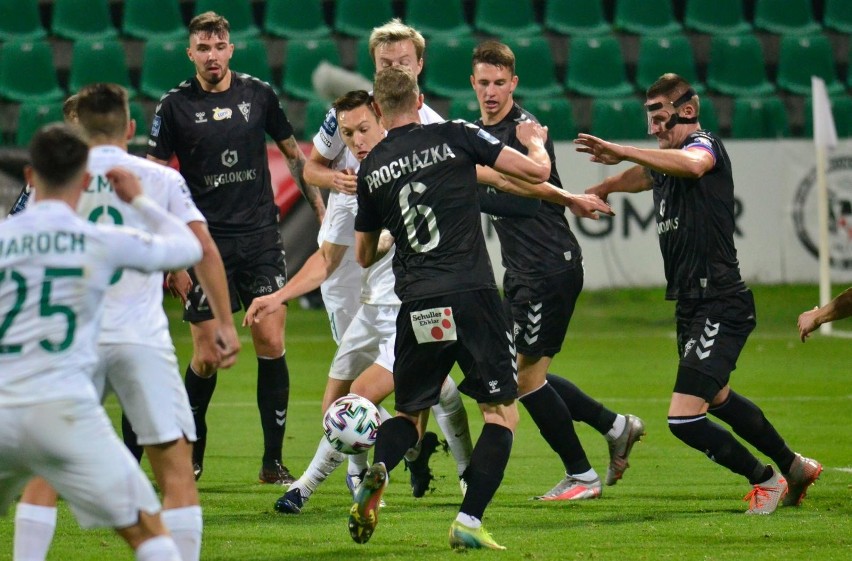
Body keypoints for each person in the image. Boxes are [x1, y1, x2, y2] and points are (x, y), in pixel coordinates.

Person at [349, 66, 612, 550]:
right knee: (501, 413)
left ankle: (380, 466)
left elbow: (364, 255)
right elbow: (533, 173)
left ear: (379, 111)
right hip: (471, 295)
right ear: (421, 98)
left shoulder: (371, 169)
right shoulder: (457, 135)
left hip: (420, 303)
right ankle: (469, 520)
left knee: (408, 415)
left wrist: (390, 234)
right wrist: (535, 140)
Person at [578, 73, 823, 514]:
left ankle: (766, 480)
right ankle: (794, 466)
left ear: (687, 111)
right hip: (692, 303)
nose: (653, 127)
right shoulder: (666, 161)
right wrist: (608, 184)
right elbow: (647, 174)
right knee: (717, 398)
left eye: (660, 116)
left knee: (683, 418)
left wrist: (617, 151)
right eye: (649, 118)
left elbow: (693, 164)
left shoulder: (704, 145)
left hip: (721, 301)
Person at [13, 84, 236, 561]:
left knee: (45, 469)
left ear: (76, 129)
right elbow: (204, 248)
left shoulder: (58, 177)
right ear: (130, 129)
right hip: (140, 336)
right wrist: (223, 320)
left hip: (71, 341)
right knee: (174, 468)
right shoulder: (157, 178)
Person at [244, 90, 469, 514]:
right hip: (371, 310)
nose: (357, 140)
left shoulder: (415, 165)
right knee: (337, 410)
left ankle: (306, 489)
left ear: (381, 116)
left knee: (358, 406)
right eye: (347, 134)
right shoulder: (351, 189)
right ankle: (425, 453)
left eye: (363, 129)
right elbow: (326, 260)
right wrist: (278, 296)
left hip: (413, 311)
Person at [147, 11, 324, 484]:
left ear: (230, 49)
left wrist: (323, 216)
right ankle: (193, 454)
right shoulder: (173, 107)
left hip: (262, 238)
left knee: (270, 340)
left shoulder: (258, 95)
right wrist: (171, 257)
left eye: (218, 46)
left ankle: (272, 463)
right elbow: (155, 183)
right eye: (201, 48)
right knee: (205, 355)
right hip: (205, 247)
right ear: (191, 53)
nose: (211, 55)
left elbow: (294, 156)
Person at [301, 18, 470, 496]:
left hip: (417, 291)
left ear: (419, 66)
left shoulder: (437, 129)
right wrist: (333, 182)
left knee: (403, 389)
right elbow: (313, 166)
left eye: (402, 61)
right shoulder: (350, 118)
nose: (394, 68)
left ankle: (321, 487)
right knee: (352, 397)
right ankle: (412, 459)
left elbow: (481, 184)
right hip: (357, 286)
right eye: (384, 63)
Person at [470, 41, 646, 500]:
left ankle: (581, 475)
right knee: (513, 373)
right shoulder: (476, 135)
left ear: (514, 83)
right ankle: (615, 425)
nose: (491, 91)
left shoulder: (526, 131)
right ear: (472, 83)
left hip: (549, 267)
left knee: (522, 379)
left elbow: (526, 183)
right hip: (523, 273)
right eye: (483, 82)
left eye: (499, 82)